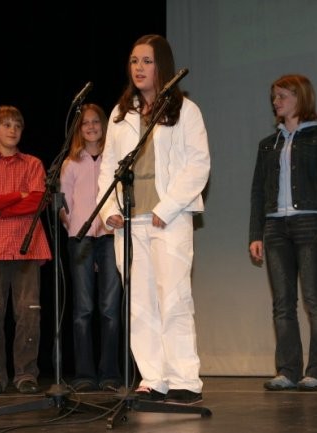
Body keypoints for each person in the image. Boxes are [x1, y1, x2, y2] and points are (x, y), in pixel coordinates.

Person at [97, 34, 210, 405]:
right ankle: (153, 377)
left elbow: (198, 165)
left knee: (174, 298)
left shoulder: (185, 111)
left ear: (161, 65)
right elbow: (109, 167)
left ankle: (184, 379)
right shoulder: (120, 114)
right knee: (140, 304)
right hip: (130, 222)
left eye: (146, 61)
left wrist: (167, 207)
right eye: (133, 61)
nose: (139, 68)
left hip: (168, 218)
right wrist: (109, 210)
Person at [248, 75, 317, 392]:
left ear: (301, 98)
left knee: (315, 298)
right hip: (275, 226)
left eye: (283, 96)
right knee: (283, 303)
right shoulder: (268, 143)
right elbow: (258, 193)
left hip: (310, 224)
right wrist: (256, 233)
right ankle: (287, 370)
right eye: (274, 97)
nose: (277, 102)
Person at [0, 105, 51, 395]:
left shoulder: (33, 164)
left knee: (29, 313)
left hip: (27, 247)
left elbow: (38, 201)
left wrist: (0, 207)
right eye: (7, 125)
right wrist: (18, 195)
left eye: (17, 125)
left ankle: (26, 374)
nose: (13, 130)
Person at [59, 103, 123, 392]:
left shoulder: (115, 161)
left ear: (104, 126)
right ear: (79, 129)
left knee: (110, 309)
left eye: (96, 121)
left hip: (110, 237)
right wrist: (73, 226)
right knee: (83, 309)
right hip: (81, 240)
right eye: (85, 123)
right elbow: (64, 203)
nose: (91, 127)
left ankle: (109, 373)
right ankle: (84, 374)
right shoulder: (71, 162)